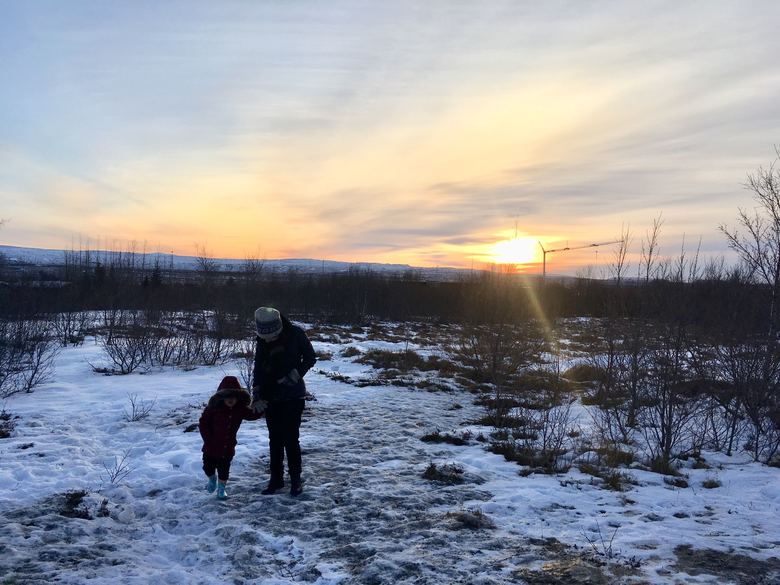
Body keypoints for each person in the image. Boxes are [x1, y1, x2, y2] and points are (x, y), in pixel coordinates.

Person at [251, 307, 316, 496]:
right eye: (265, 336)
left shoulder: (296, 334)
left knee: (290, 438)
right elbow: (258, 366)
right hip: (270, 395)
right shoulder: (262, 340)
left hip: (293, 395)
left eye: (272, 335)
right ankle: (276, 480)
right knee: (275, 440)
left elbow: (310, 358)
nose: (268, 339)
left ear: (279, 326)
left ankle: (296, 480)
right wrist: (256, 394)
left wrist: (294, 376)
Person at [199, 375, 262, 500]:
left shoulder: (240, 409)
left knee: (224, 469)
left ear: (238, 398)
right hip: (211, 446)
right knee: (208, 467)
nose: (230, 400)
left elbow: (252, 415)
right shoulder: (213, 409)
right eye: (227, 397)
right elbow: (203, 423)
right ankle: (212, 479)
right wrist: (208, 439)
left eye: (233, 397)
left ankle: (222, 489)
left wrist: (260, 408)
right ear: (221, 397)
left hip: (227, 447)